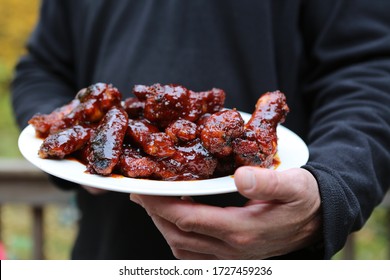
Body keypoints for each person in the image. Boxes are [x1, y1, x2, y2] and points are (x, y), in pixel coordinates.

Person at [11, 0, 390, 260]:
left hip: (272, 255)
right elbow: (42, 68)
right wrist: (65, 140)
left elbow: (371, 70)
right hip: (107, 248)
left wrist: (332, 189)